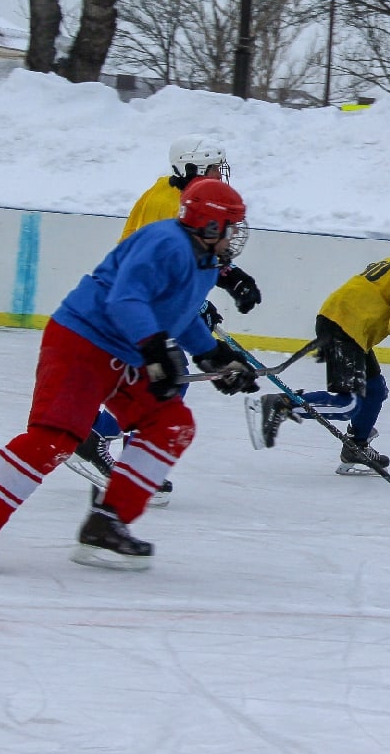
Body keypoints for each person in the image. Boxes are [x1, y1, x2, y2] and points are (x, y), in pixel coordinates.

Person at [0, 179, 261, 573]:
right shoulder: (165, 243)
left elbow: (182, 310)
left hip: (128, 351)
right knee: (54, 438)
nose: (235, 236)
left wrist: (213, 355)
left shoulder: (205, 263)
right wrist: (156, 350)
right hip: (82, 342)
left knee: (171, 423)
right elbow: (126, 299)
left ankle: (105, 526)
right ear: (210, 226)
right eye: (231, 226)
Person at [66, 135, 263, 500]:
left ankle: (104, 444)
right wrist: (196, 303)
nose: (220, 175)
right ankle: (119, 458)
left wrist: (231, 277)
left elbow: (197, 256)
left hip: (147, 303)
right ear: (188, 168)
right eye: (212, 168)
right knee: (162, 382)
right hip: (134, 309)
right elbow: (167, 265)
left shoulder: (183, 198)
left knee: (163, 381)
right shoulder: (166, 203)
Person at [246, 232, 390, 474]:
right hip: (345, 327)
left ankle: (356, 447)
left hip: (343, 323)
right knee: (346, 404)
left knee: (375, 391)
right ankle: (280, 404)